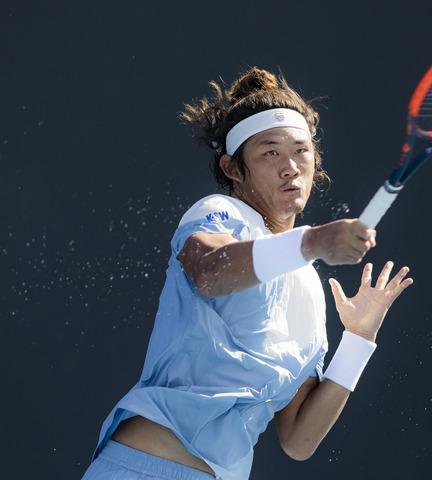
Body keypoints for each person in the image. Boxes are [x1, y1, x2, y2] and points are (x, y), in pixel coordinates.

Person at [81, 67, 413, 480]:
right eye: (270, 152)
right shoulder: (220, 213)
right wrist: (311, 241)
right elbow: (208, 271)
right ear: (233, 169)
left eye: (301, 150)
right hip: (148, 468)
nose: (290, 167)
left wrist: (359, 339)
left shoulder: (308, 285)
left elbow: (299, 440)